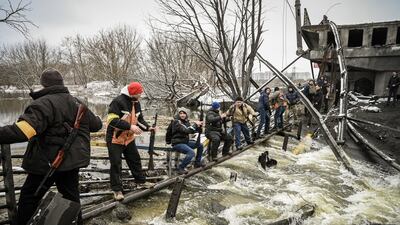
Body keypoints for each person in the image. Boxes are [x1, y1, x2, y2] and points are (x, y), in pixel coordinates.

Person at [0, 68, 103, 225]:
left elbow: (23, 131)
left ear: (44, 85)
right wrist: (95, 117)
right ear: (61, 83)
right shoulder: (76, 102)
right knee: (72, 198)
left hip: (47, 163)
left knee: (29, 197)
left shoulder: (43, 104)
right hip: (71, 162)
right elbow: (96, 125)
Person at [106, 82, 154, 201]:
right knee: (116, 164)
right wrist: (130, 127)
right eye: (139, 93)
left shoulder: (136, 103)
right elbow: (111, 121)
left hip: (129, 138)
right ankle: (117, 190)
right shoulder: (117, 102)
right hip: (115, 139)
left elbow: (139, 119)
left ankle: (140, 181)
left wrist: (148, 128)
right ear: (133, 93)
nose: (141, 95)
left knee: (135, 160)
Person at [170, 108, 204, 174]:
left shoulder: (186, 122)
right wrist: (195, 124)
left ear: (186, 114)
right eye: (180, 113)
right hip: (177, 143)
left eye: (184, 113)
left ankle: (197, 162)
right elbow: (186, 130)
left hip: (184, 142)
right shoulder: (176, 122)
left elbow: (191, 131)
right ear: (178, 114)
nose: (182, 115)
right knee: (191, 153)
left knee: (200, 145)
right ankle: (181, 168)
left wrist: (198, 127)